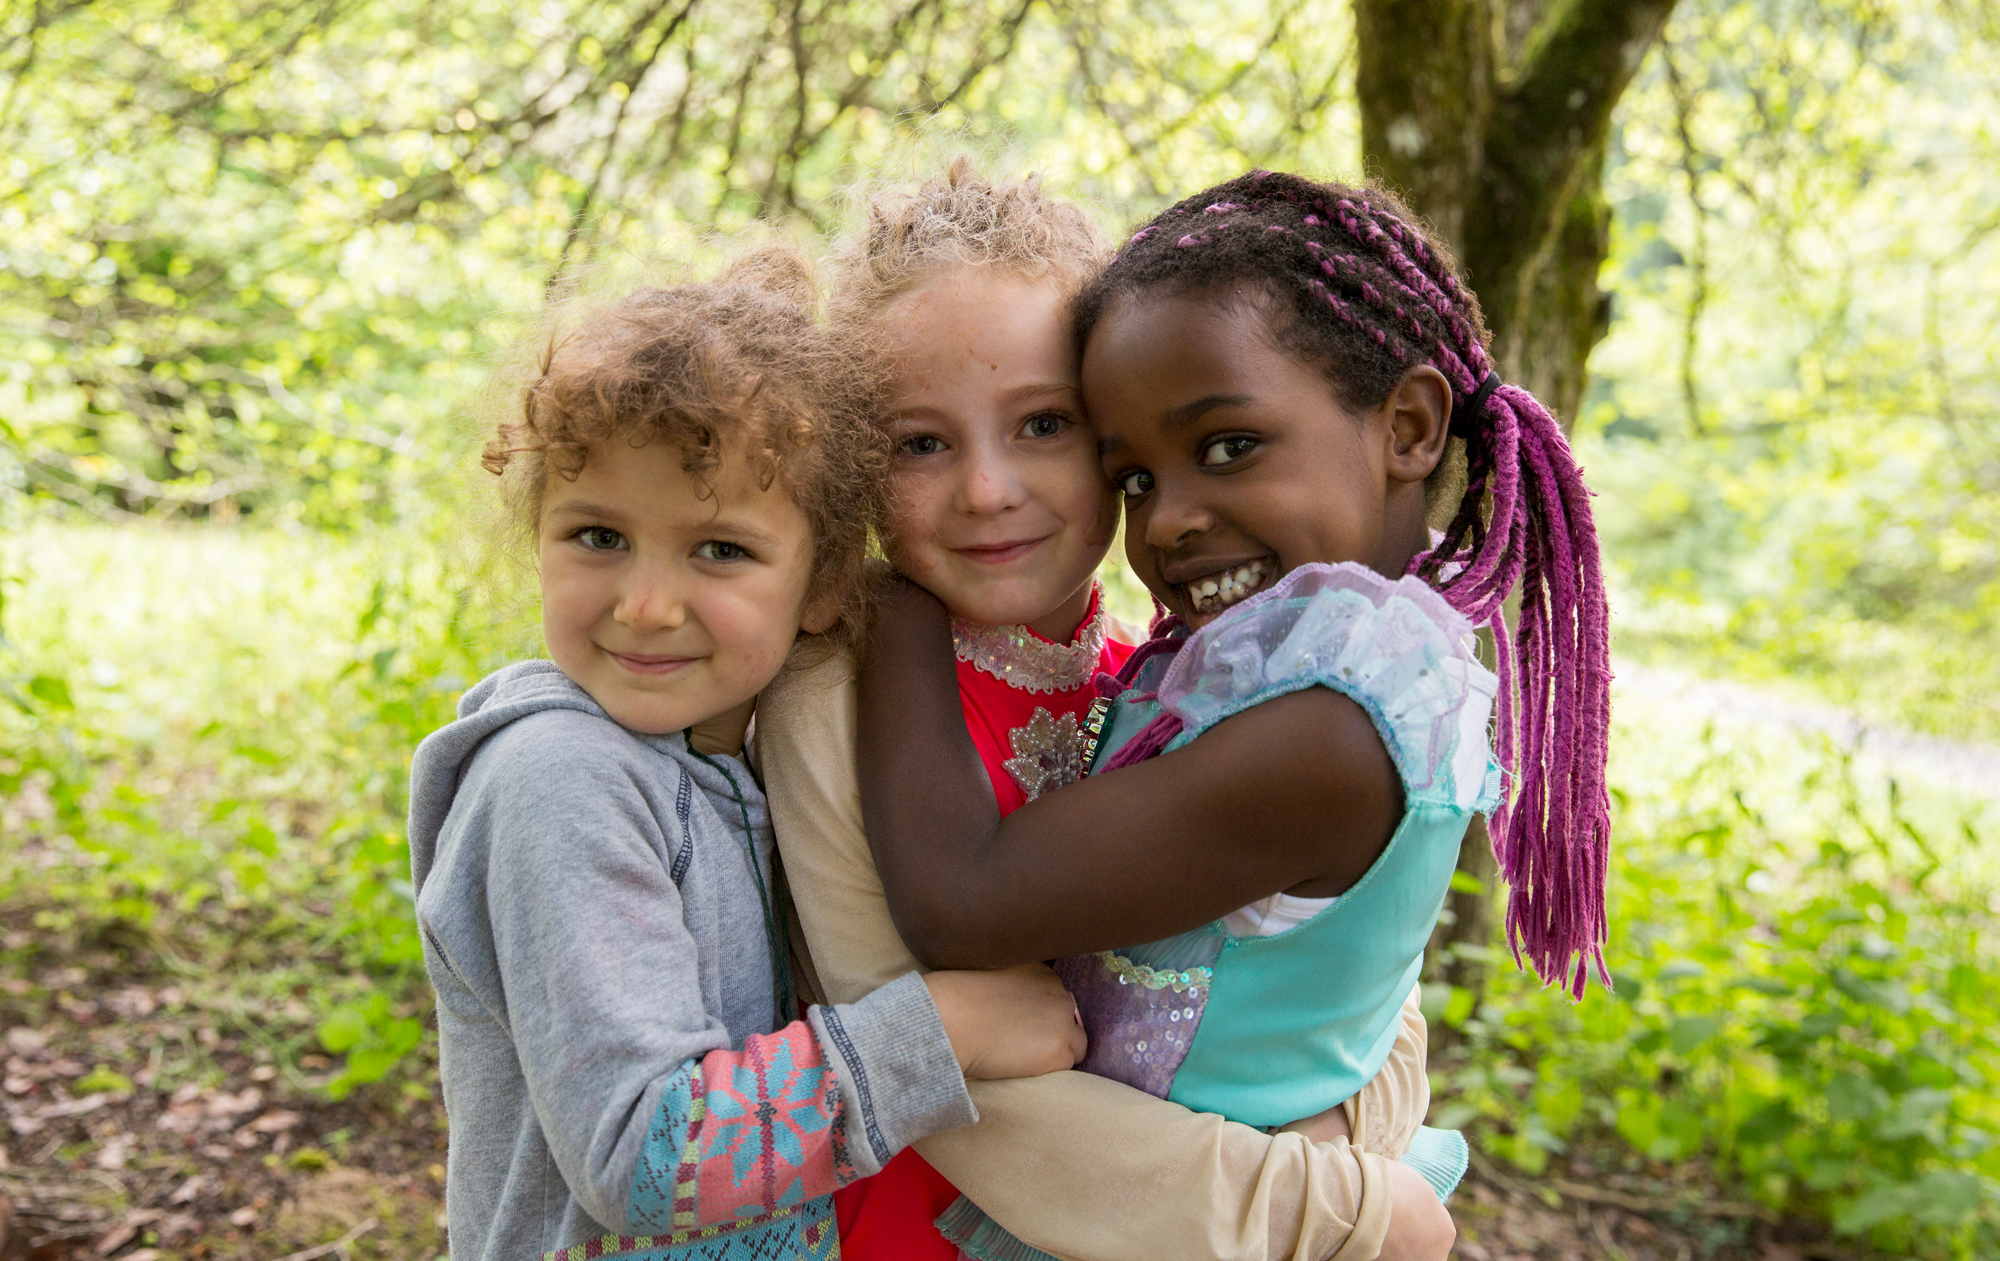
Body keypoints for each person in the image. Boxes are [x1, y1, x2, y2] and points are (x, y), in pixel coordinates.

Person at [852, 172, 1615, 1257]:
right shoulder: (1280, 672)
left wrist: (889, 607)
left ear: (1405, 425)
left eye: (1224, 448)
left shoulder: (1331, 731)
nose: (1168, 521)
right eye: (1131, 479)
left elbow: (960, 899)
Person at [757, 162, 1455, 1261]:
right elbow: (919, 1057)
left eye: (1042, 424)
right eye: (918, 443)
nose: (987, 489)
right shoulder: (834, 693)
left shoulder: (1166, 682)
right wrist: (1318, 1208)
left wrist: (1348, 1140)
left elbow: (1346, 983)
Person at [405, 251, 1086, 1261]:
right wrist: (942, 1028)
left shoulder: (734, 761)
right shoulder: (558, 780)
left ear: (819, 586)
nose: (644, 602)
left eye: (718, 549)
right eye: (596, 535)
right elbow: (643, 1154)